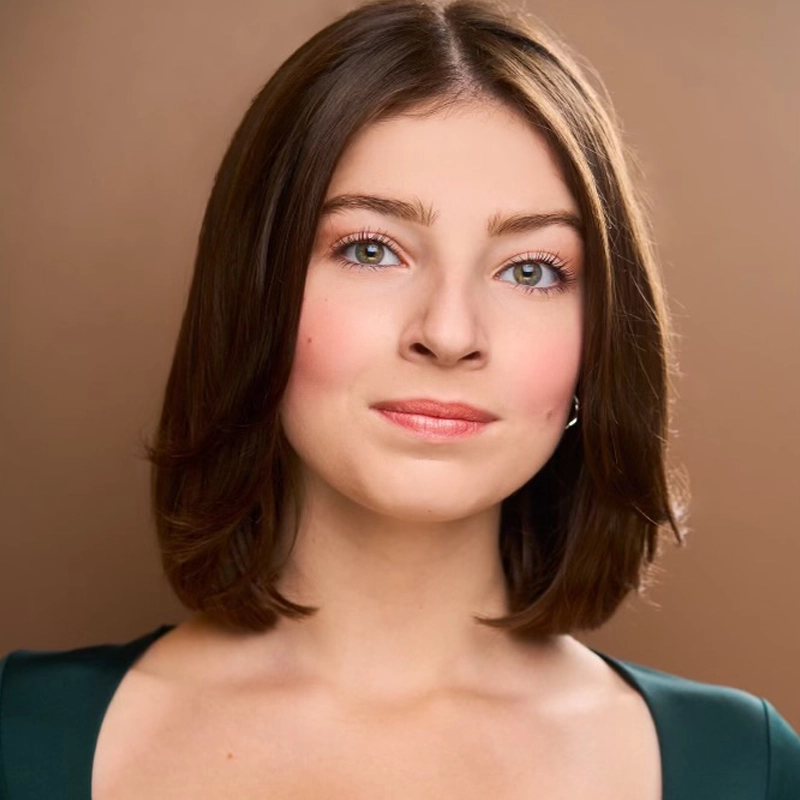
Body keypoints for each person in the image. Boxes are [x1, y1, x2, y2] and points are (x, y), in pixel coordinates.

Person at [1, 0, 798, 797]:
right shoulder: (22, 738)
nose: (449, 333)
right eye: (372, 249)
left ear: (597, 344)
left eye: (530, 270)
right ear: (255, 291)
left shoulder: (746, 769)